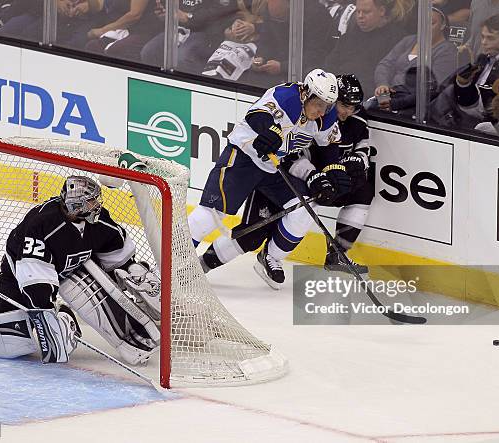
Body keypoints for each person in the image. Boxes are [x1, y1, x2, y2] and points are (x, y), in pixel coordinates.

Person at [0, 176, 161, 366]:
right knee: (9, 344)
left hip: (71, 272)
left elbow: (116, 250)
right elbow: (35, 279)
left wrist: (132, 270)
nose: (97, 205)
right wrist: (47, 315)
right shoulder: (41, 224)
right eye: (91, 201)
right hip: (18, 279)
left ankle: (136, 334)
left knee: (112, 297)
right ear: (77, 205)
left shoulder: (98, 221)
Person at [188, 68, 353, 289]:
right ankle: (170, 262)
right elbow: (258, 115)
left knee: (304, 209)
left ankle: (271, 257)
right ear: (306, 93)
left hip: (274, 170)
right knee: (209, 215)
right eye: (319, 104)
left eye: (328, 106)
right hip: (244, 160)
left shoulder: (325, 116)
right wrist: (270, 131)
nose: (323, 111)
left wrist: (335, 170)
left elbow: (330, 145)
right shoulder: (286, 97)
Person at [368, 7, 457, 116]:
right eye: (423, 23)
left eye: (432, 23)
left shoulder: (447, 50)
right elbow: (385, 64)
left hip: (414, 107)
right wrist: (382, 85)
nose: (425, 28)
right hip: (391, 97)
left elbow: (433, 89)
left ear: (443, 25)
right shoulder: (408, 40)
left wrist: (396, 104)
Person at [323, 0, 408, 96]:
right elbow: (330, 66)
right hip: (340, 94)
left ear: (381, 11)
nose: (360, 16)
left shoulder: (397, 39)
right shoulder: (347, 38)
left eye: (366, 12)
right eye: (358, 11)